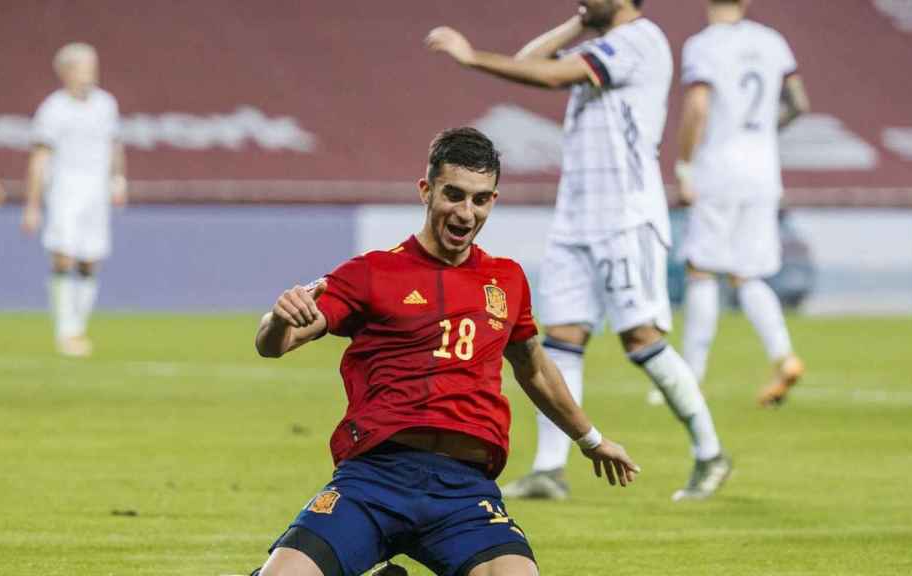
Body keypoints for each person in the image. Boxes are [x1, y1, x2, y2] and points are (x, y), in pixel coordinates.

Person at [251, 128, 639, 576]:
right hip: (373, 482)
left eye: (479, 199)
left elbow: (533, 366)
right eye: (454, 195)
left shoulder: (506, 280)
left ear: (493, 200)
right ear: (426, 190)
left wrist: (590, 440)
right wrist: (279, 317)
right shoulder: (372, 272)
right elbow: (275, 344)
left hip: (465, 494)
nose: (465, 212)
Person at [426, 0, 731, 502]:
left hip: (625, 215)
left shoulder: (641, 40)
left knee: (641, 338)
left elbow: (546, 77)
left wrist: (471, 57)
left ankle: (709, 452)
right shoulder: (600, 39)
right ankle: (550, 469)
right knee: (560, 338)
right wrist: (581, 19)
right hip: (577, 215)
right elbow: (533, 59)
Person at [674, 0, 810, 406]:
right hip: (763, 171)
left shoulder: (703, 45)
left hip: (718, 167)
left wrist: (684, 165)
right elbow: (799, 103)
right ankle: (783, 357)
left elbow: (698, 105)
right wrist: (767, 129)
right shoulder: (773, 41)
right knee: (748, 274)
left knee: (702, 270)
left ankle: (689, 379)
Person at [21, 43, 126, 357]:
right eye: (84, 66)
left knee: (90, 260)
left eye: (93, 64)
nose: (91, 71)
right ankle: (66, 330)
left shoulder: (106, 104)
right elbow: (39, 159)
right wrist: (33, 204)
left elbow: (114, 145)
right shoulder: (53, 109)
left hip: (97, 192)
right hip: (65, 190)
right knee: (63, 255)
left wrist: (119, 179)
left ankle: (78, 327)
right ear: (65, 71)